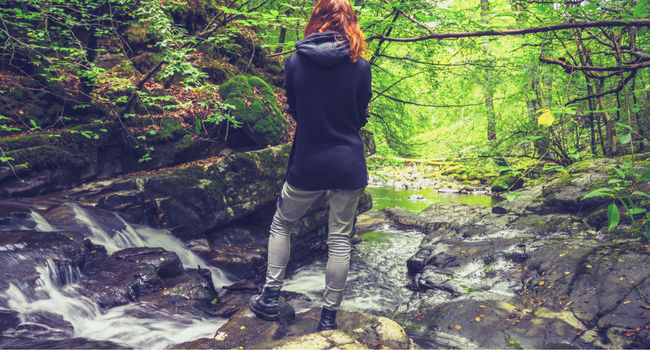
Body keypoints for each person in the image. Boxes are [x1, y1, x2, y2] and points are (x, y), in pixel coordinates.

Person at [249, 0, 372, 332]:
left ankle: (270, 298)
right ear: (350, 22)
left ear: (316, 19)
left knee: (282, 224)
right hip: (348, 163)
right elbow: (360, 117)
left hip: (308, 160)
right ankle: (328, 318)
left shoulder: (295, 62)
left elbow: (294, 108)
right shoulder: (359, 66)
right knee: (340, 239)